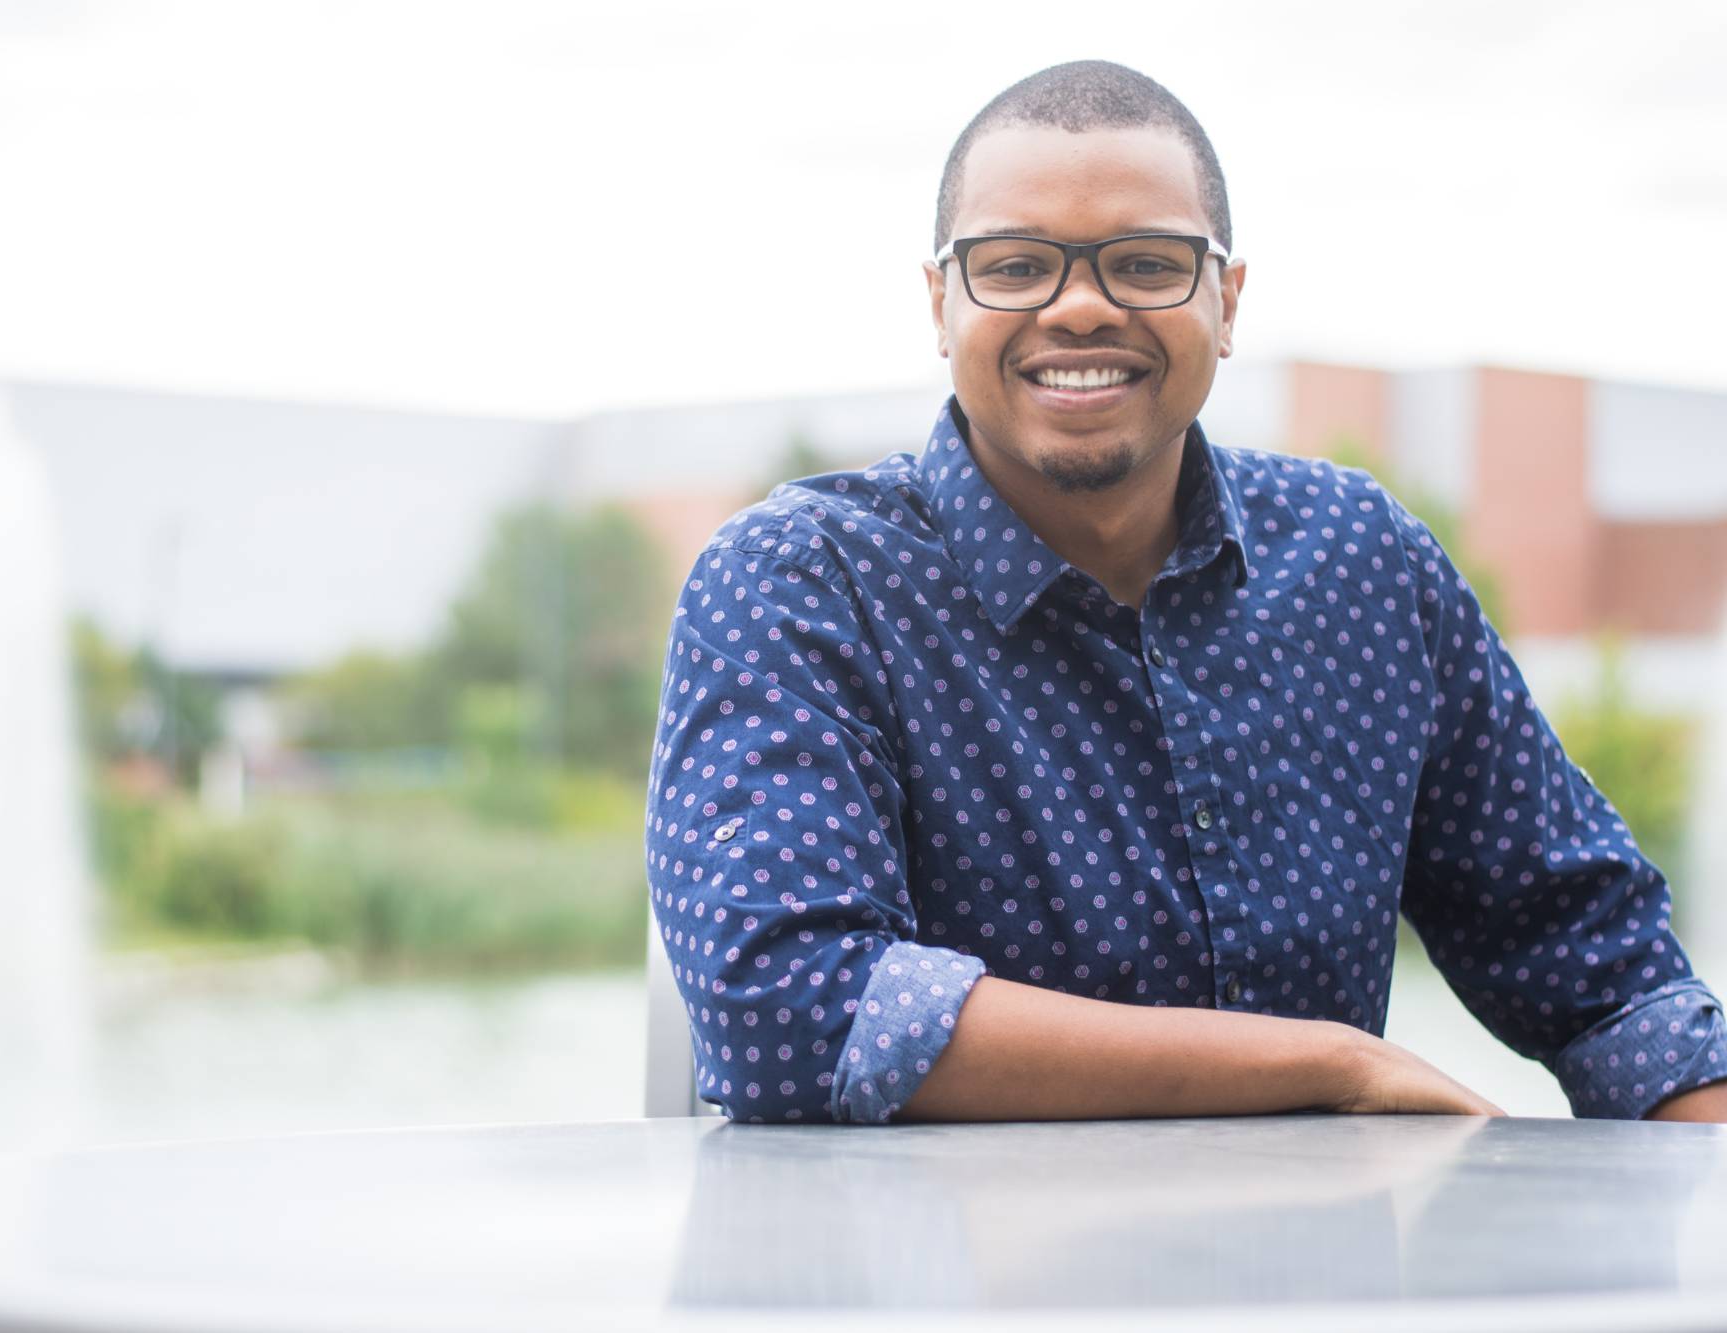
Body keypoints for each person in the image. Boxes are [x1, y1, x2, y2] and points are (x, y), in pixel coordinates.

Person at [642, 60, 1727, 1125]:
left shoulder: (1363, 565)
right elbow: (788, 1007)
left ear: (1226, 299)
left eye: (1147, 264)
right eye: (1013, 266)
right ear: (939, 302)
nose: (1077, 308)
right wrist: (1326, 1065)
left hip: (1313, 1298)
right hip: (948, 1300)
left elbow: (1604, 973)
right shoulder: (802, 583)